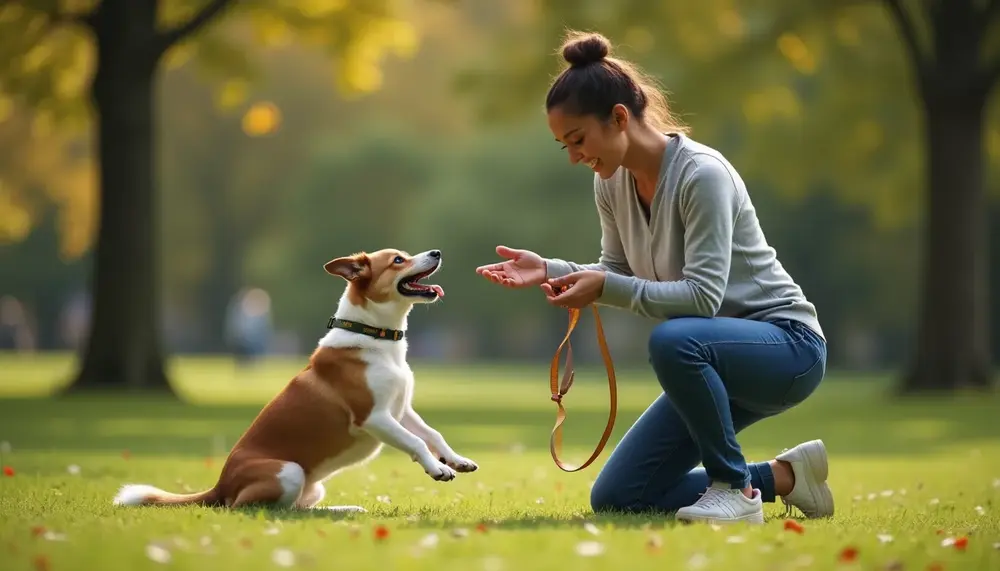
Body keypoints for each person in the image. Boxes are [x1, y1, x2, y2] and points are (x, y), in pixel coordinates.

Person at [474, 30, 832, 524]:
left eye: (578, 140)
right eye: (565, 147)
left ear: (619, 117)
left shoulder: (702, 175)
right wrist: (551, 270)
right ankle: (786, 477)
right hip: (711, 359)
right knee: (621, 495)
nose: (576, 156)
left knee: (673, 340)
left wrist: (604, 286)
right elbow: (617, 272)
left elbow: (702, 299)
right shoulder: (612, 183)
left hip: (787, 347)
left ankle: (736, 491)